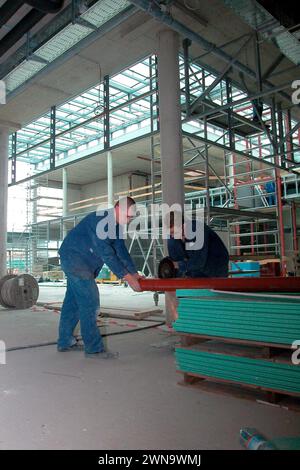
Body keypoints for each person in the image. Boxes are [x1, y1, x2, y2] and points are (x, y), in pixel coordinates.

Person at [57, 197, 143, 358]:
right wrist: (128, 279)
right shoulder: (101, 221)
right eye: (129, 216)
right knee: (90, 302)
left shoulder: (117, 227)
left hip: (81, 262)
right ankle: (93, 349)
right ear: (118, 209)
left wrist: (134, 272)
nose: (130, 220)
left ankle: (65, 341)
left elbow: (121, 250)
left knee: (73, 303)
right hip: (74, 260)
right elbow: (107, 255)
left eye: (132, 217)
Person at [167, 212, 229, 278]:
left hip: (216, 267)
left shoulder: (198, 229)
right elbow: (176, 259)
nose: (172, 235)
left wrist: (178, 265)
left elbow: (199, 261)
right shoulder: (174, 236)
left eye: (173, 232)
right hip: (198, 270)